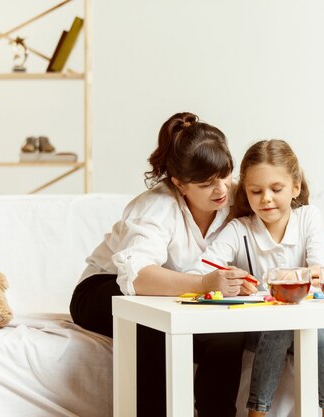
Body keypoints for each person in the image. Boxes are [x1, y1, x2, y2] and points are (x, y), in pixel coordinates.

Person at [69, 112, 257, 417]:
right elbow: (139, 277)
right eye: (207, 184)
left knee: (228, 334)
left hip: (177, 299)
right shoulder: (155, 206)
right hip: (105, 287)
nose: (221, 189)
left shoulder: (237, 199)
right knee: (153, 323)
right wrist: (204, 284)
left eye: (225, 175)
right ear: (179, 184)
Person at [191, 139, 324, 417]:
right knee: (280, 323)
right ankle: (257, 412)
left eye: (276, 189)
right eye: (256, 191)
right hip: (261, 329)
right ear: (245, 193)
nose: (266, 199)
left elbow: (322, 273)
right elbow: (199, 272)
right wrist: (226, 280)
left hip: (310, 324)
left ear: (295, 187)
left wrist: (292, 279)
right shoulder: (240, 230)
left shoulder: (308, 217)